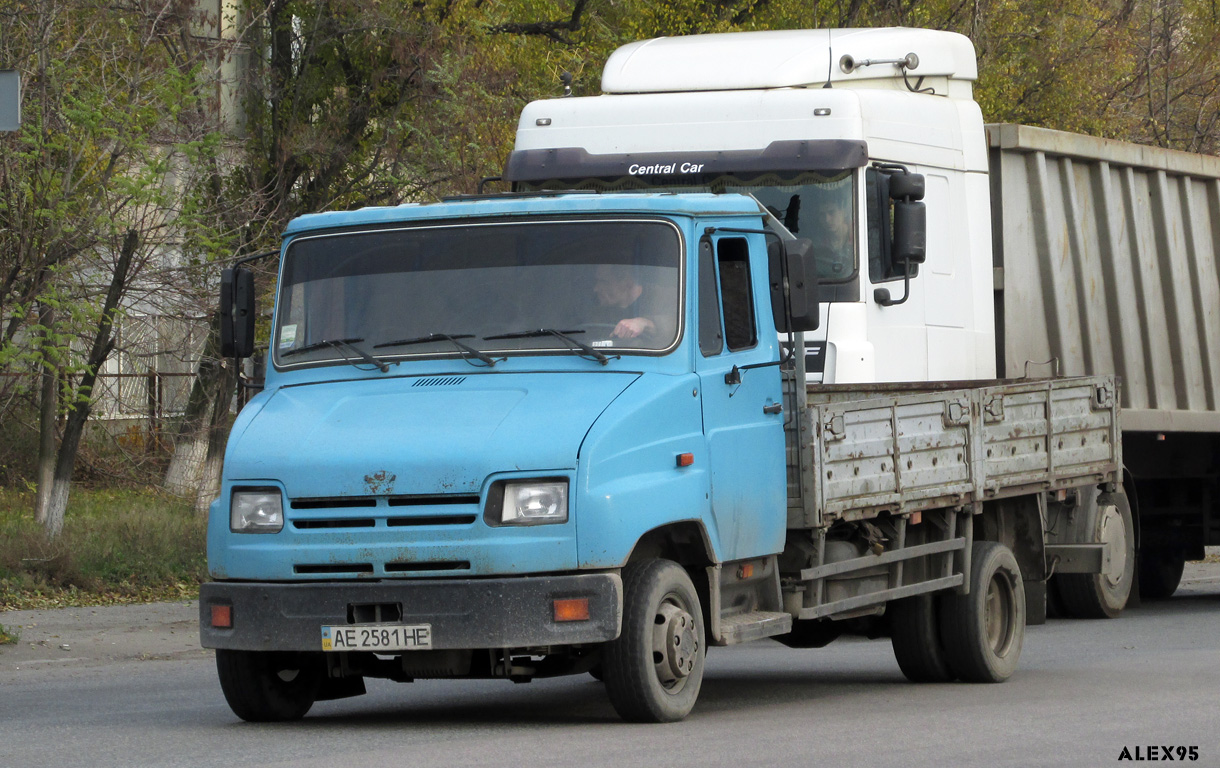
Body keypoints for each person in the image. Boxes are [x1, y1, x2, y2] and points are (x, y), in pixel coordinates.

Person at [591, 263, 664, 340]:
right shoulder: (598, 313)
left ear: (627, 283)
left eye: (604, 282)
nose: (595, 289)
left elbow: (673, 324)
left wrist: (645, 323)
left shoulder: (660, 297)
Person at [813, 194, 853, 279]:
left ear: (843, 212)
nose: (827, 219)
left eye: (831, 212)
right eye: (822, 214)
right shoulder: (817, 244)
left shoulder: (859, 237)